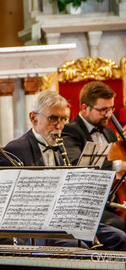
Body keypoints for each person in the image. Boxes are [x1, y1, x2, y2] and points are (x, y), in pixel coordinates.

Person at [0, 90, 126, 250]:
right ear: (33, 117)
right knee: (79, 248)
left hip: (65, 221)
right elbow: (6, 202)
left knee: (119, 238)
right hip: (38, 229)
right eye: (53, 118)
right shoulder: (15, 149)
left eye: (63, 119)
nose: (59, 126)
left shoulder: (59, 145)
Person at [62, 81, 126, 231]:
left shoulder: (108, 132)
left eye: (111, 108)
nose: (109, 115)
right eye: (103, 110)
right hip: (87, 204)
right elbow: (78, 165)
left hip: (111, 199)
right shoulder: (70, 131)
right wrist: (120, 165)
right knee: (118, 224)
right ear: (85, 107)